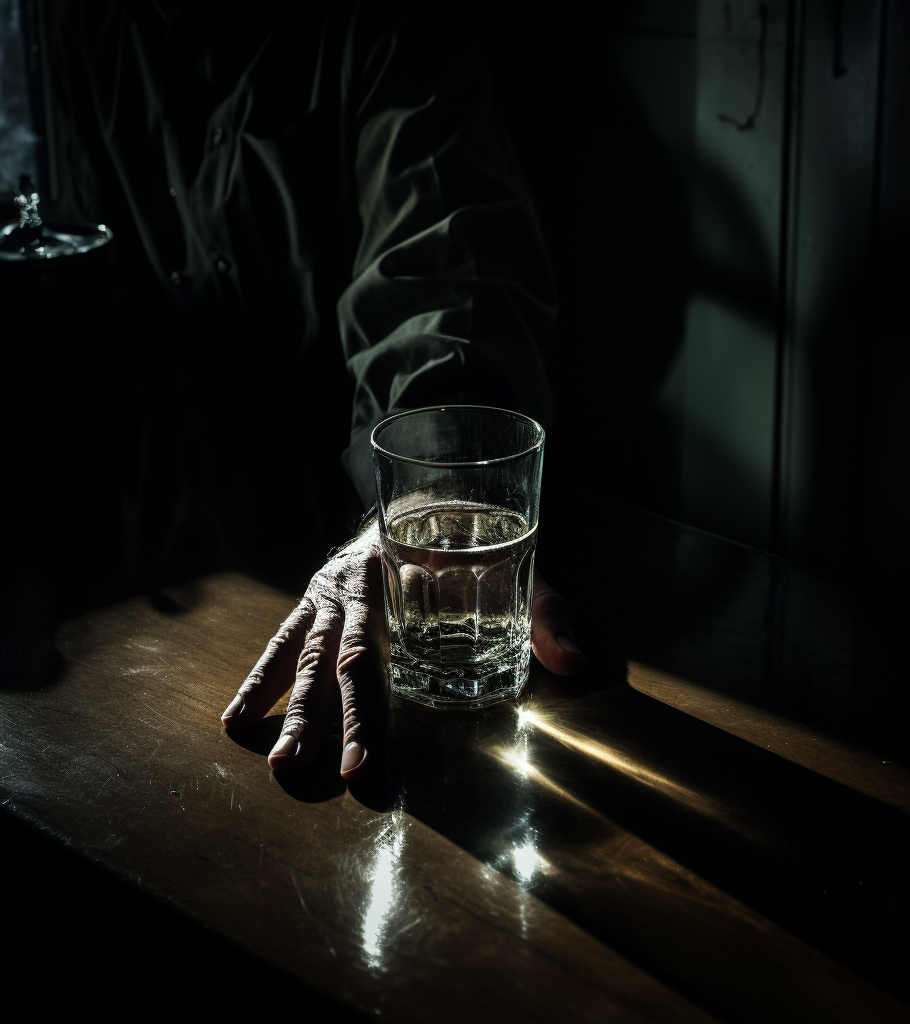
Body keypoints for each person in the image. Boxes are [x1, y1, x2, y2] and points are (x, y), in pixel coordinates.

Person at [43, 0, 584, 777]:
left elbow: (447, 279)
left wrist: (414, 508)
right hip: (167, 565)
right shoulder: (81, 29)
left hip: (348, 545)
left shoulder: (381, 25)